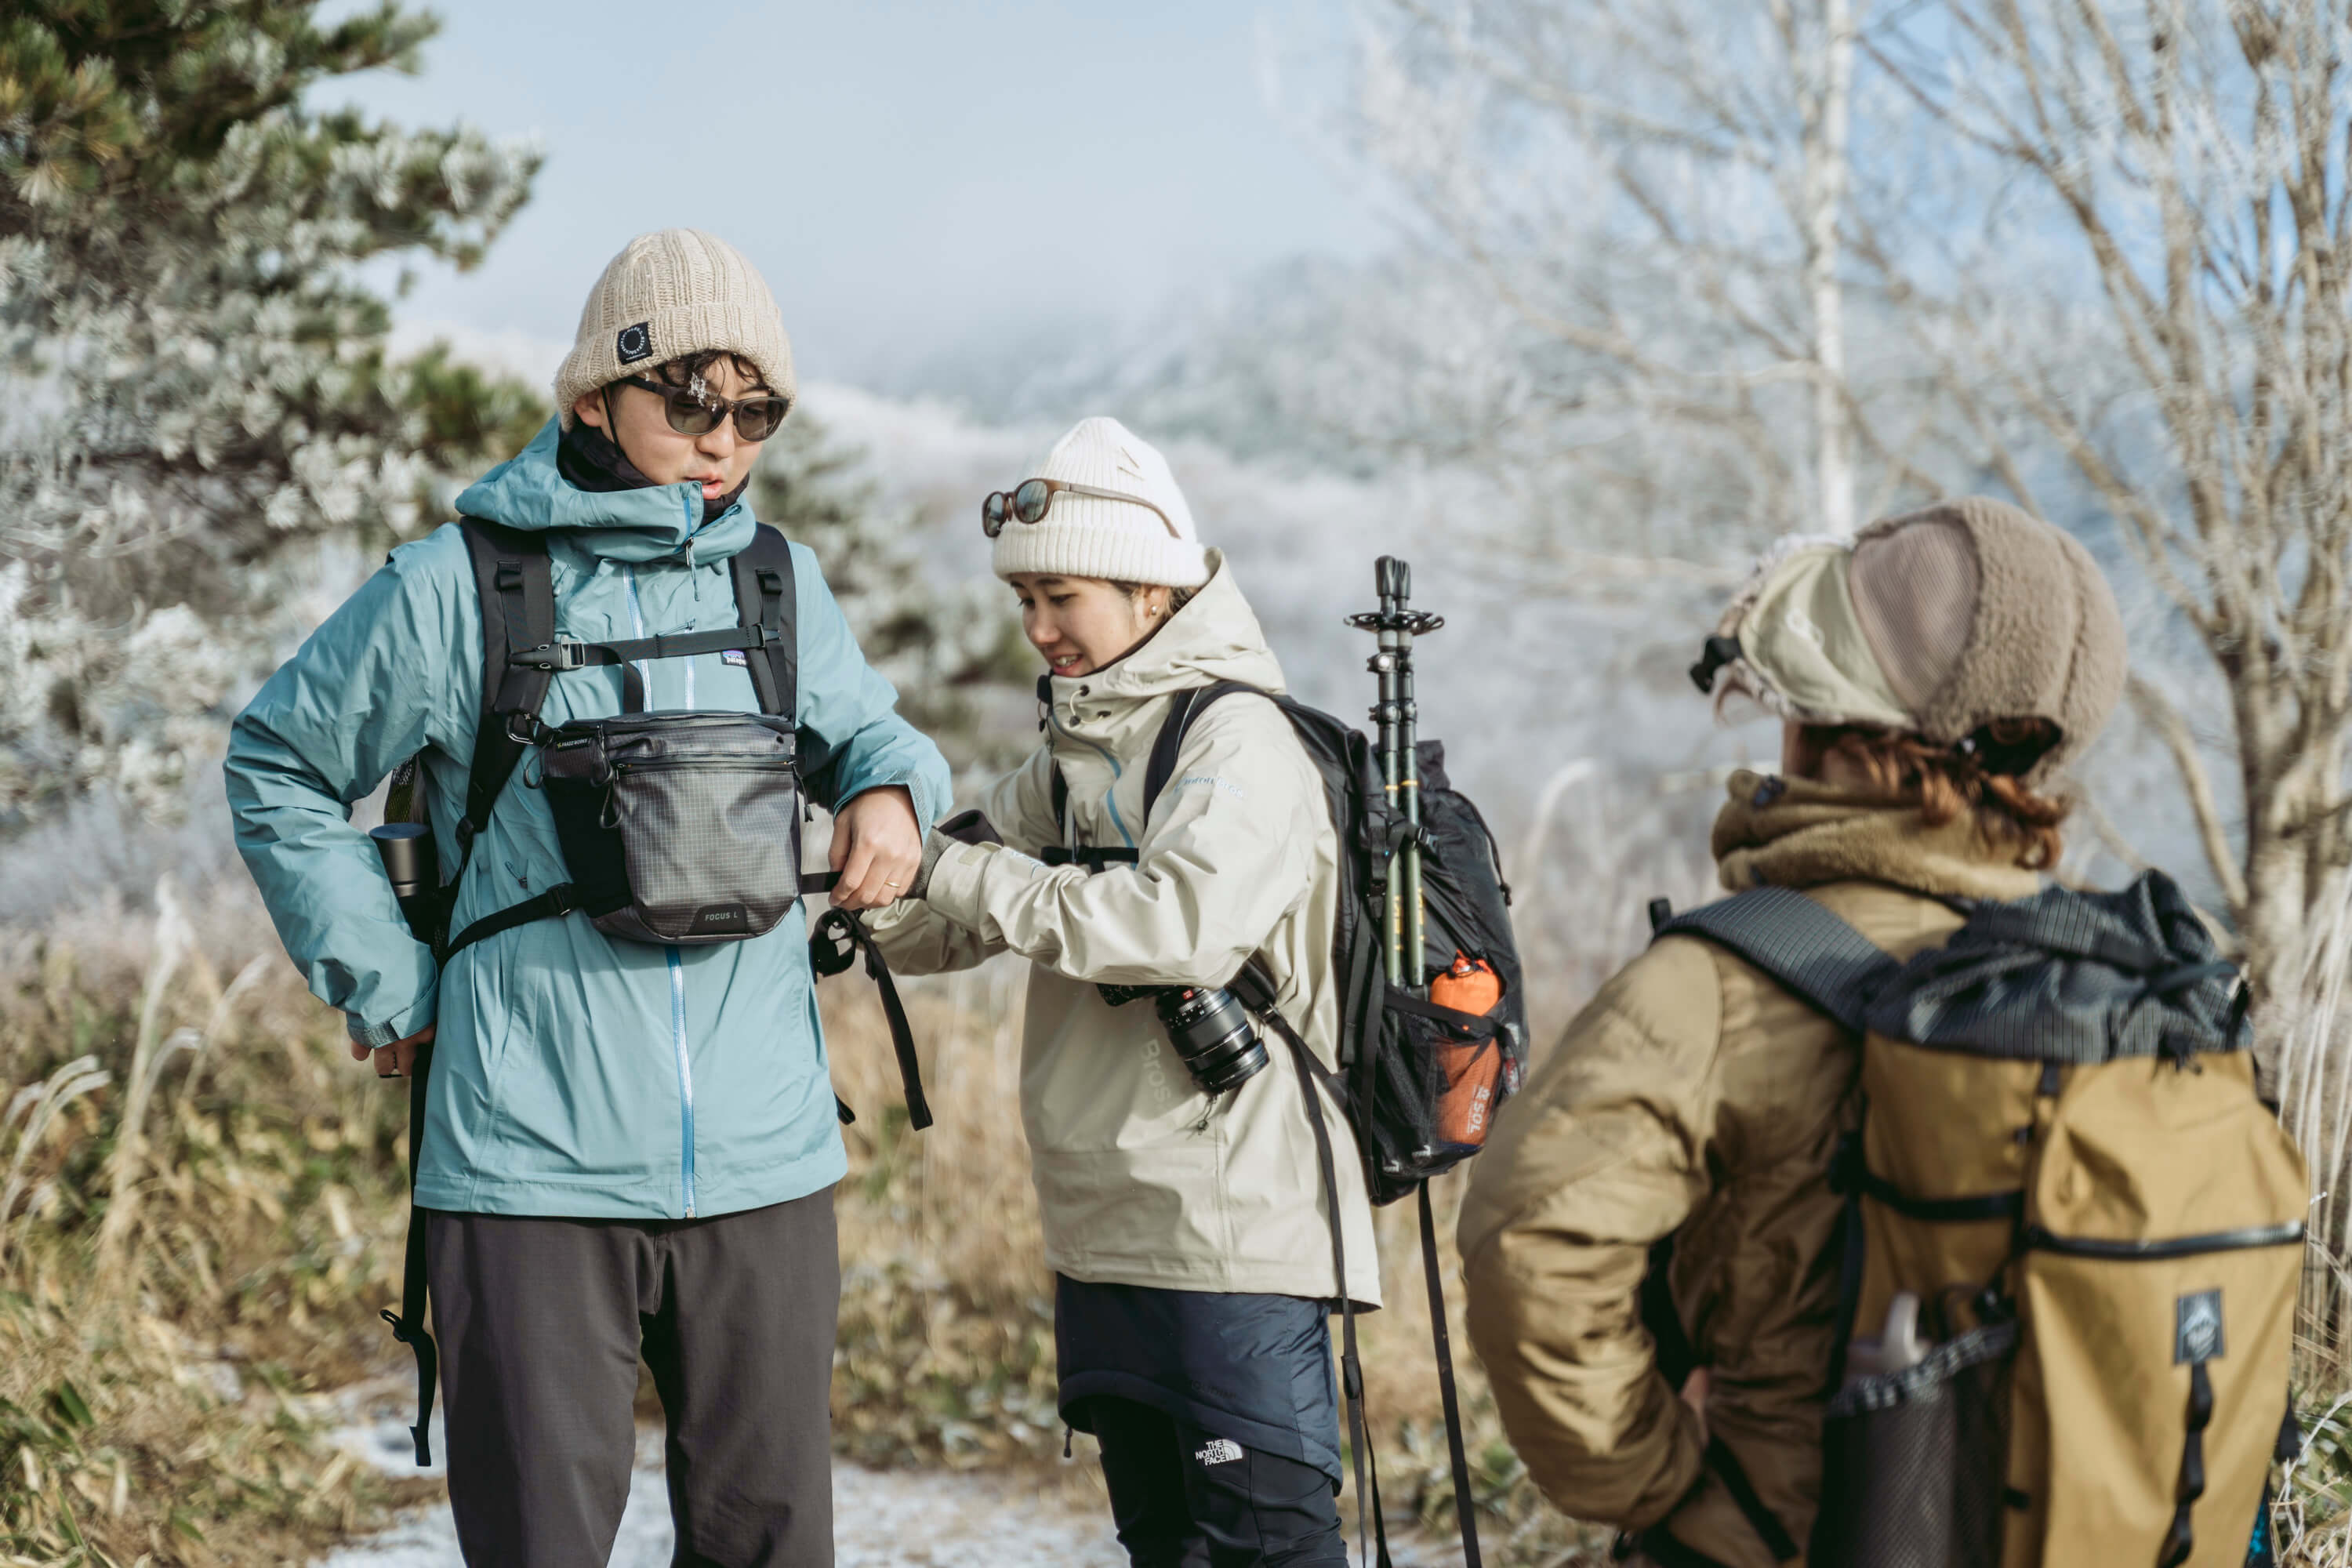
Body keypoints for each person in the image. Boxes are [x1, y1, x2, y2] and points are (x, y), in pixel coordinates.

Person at [225, 228, 950, 1567]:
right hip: (527, 1170)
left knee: (772, 1549)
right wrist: (391, 983)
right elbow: (276, 761)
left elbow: (880, 737)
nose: (723, 439)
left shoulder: (774, 583)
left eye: (756, 411)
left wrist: (891, 791)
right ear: (592, 400)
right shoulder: (462, 589)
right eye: (689, 401)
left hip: (764, 1166)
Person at [1457, 499, 2126, 1566]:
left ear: (1819, 715)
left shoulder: (1720, 985)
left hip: (1782, 1534)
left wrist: (1663, 1484)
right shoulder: (2110, 983)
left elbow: (1527, 1246)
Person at [869, 416, 1381, 1568]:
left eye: (1062, 597)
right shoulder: (1078, 754)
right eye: (1024, 604)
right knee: (1165, 1548)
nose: (1039, 629)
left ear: (1150, 589)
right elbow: (943, 916)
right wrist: (857, 868)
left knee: (1269, 1551)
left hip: (1233, 1232)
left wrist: (959, 869)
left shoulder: (1235, 742)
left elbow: (1175, 926)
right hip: (1106, 1228)